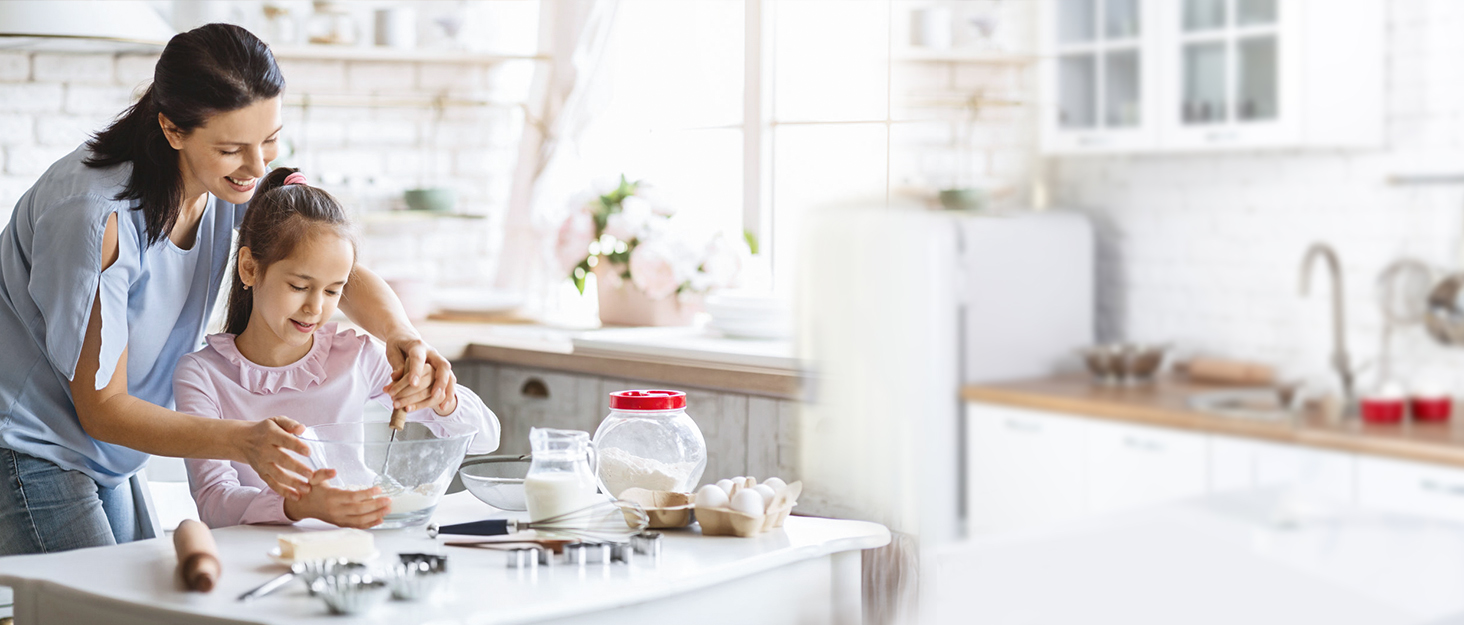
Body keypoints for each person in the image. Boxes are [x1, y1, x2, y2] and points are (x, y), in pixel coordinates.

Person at [0, 24, 455, 554]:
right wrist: (243, 440)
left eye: (269, 139)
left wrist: (400, 333)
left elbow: (328, 267)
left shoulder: (225, 180)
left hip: (111, 450)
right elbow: (103, 406)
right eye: (233, 148)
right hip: (34, 441)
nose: (257, 167)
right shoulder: (96, 217)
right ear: (172, 129)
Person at [174, 168, 498, 529]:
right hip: (259, 559)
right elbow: (214, 503)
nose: (316, 308)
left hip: (358, 546)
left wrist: (441, 397)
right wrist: (299, 506)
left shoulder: (354, 356)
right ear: (250, 269)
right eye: (299, 286)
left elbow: (485, 439)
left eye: (333, 291)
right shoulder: (202, 375)